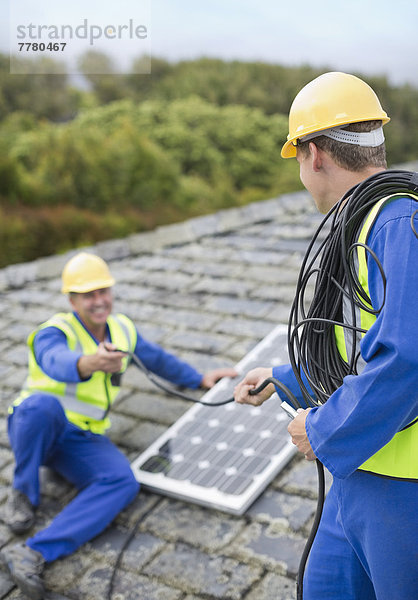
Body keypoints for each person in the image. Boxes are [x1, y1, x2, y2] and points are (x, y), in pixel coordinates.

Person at [234, 72, 418, 600]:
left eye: (296, 158)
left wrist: (325, 429)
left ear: (314, 154)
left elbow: (405, 358)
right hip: (358, 474)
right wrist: (283, 378)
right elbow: (356, 347)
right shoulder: (362, 226)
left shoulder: (397, 225)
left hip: (401, 493)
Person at [1, 251, 237, 599]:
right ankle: (23, 492)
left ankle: (33, 552)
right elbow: (54, 361)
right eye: (88, 294)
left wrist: (200, 378)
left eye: (103, 291)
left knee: (122, 482)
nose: (99, 301)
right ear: (72, 300)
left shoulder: (122, 329)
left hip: (80, 438)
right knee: (41, 405)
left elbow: (156, 359)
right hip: (35, 429)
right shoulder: (54, 331)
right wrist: (89, 362)